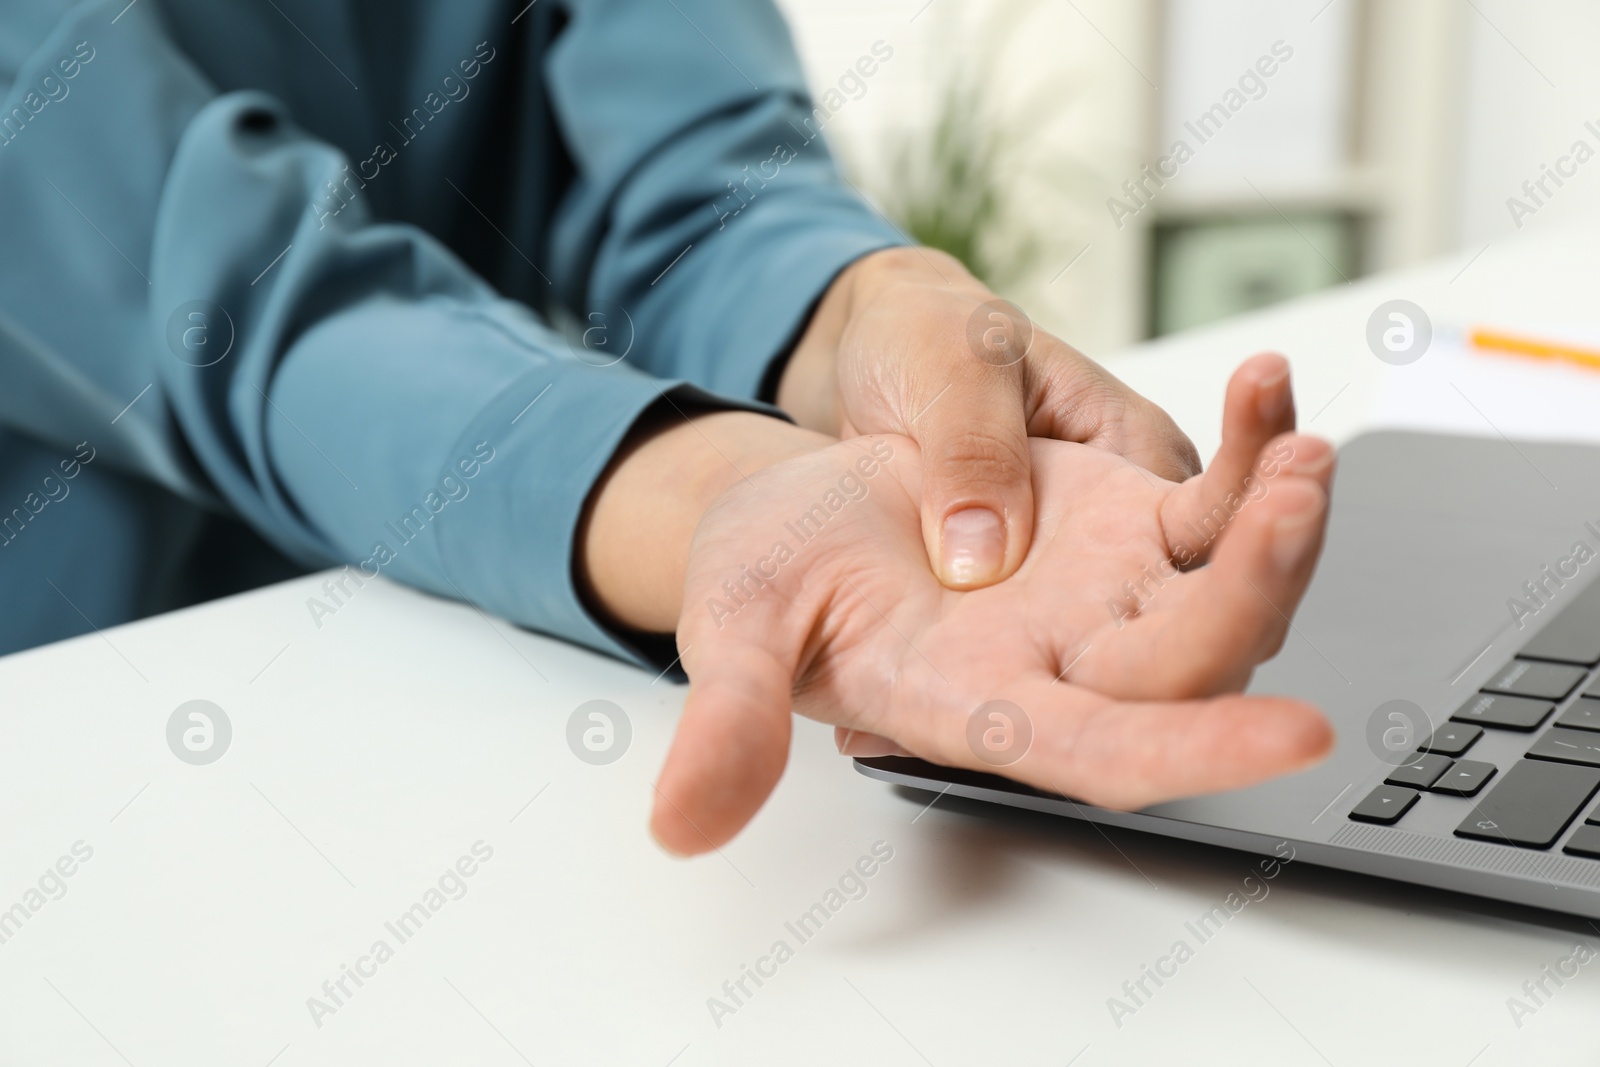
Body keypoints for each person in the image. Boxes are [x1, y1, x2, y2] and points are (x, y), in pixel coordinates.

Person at [0, 0, 1334, 855]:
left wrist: (866, 305)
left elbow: (708, 183)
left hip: (477, 681)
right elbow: (248, 320)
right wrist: (728, 500)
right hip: (96, 773)